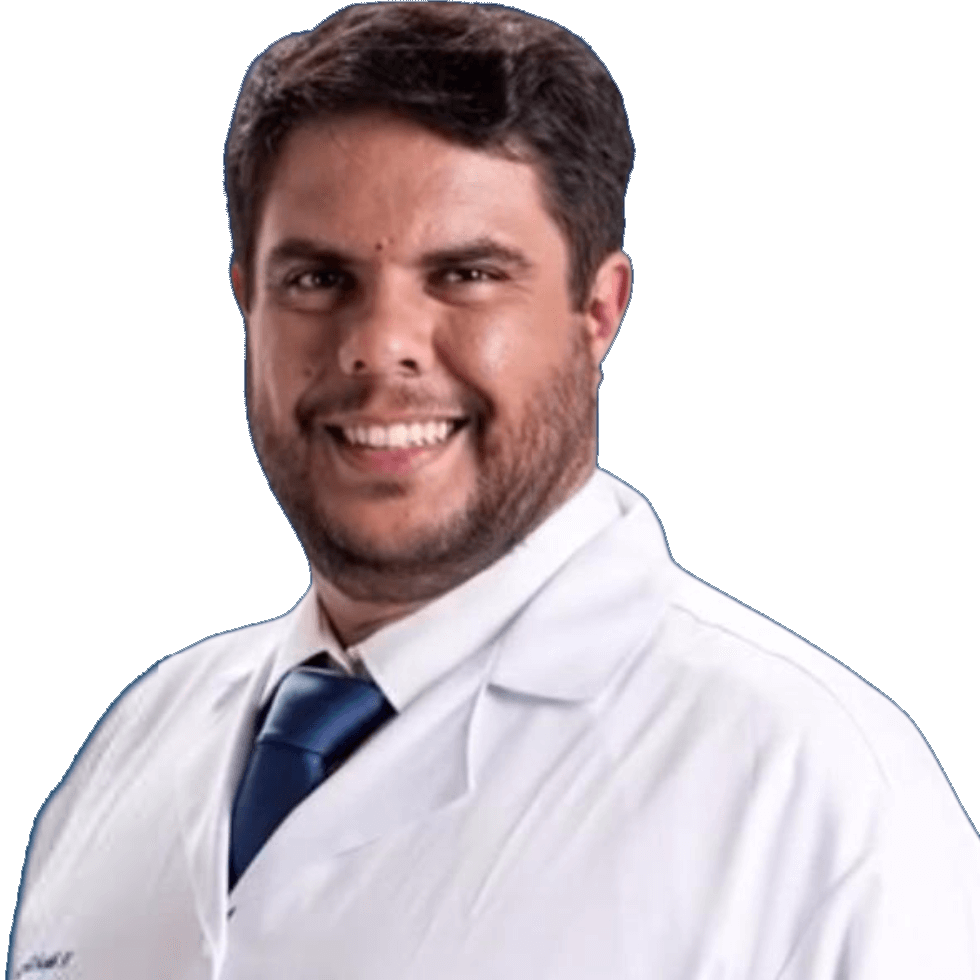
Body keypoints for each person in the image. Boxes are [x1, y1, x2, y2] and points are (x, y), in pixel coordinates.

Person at [8, 3, 980, 978]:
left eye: (465, 274)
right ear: (246, 300)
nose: (379, 346)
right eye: (316, 278)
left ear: (597, 310)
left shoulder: (819, 794)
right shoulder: (130, 756)